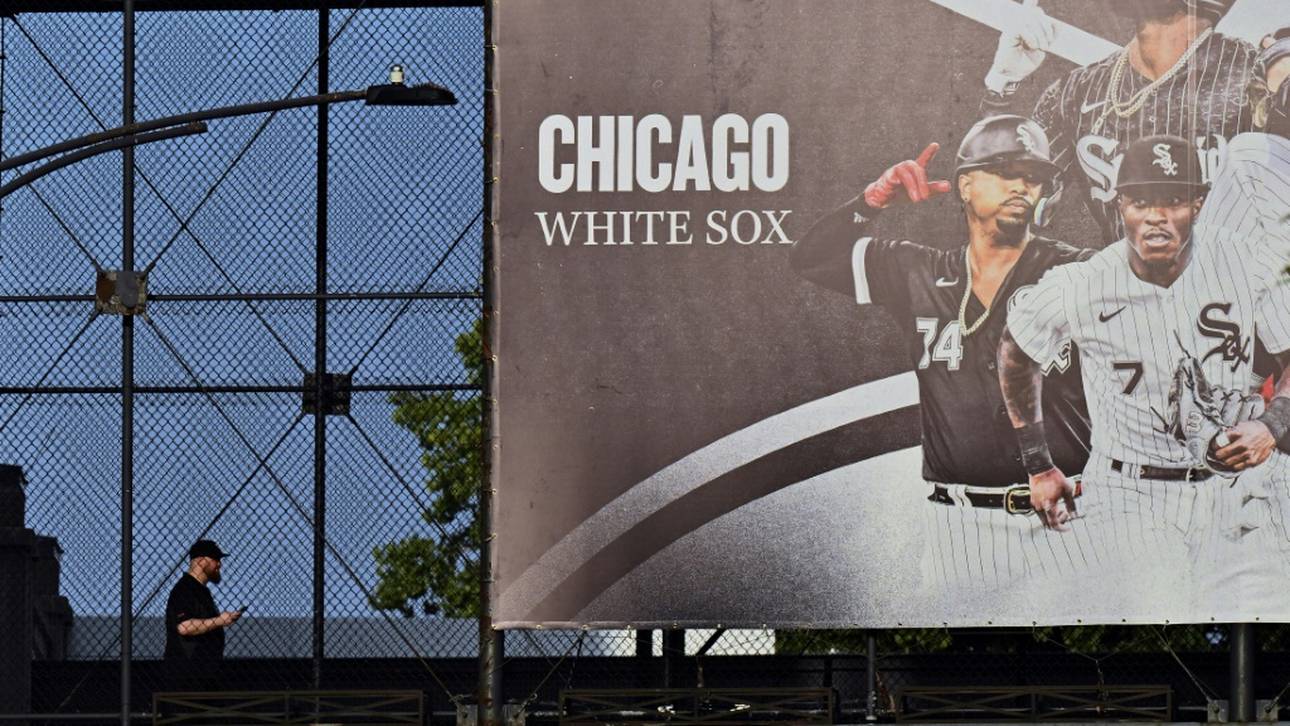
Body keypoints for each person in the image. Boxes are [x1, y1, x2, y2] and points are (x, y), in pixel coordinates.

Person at [790, 115, 1094, 589]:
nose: (1023, 186)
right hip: (960, 522)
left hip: (1069, 511)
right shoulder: (917, 271)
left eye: (1034, 177)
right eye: (1006, 171)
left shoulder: (1077, 270)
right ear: (966, 186)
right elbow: (810, 258)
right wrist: (871, 202)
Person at [998, 135, 1290, 611]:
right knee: (1148, 617)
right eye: (1140, 201)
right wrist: (1038, 462)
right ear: (1119, 207)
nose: (1156, 216)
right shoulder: (1083, 283)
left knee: (1260, 622)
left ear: (1199, 203)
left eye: (1173, 200)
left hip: (1235, 490)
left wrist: (1272, 426)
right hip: (1130, 492)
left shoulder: (1247, 261)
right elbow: (1016, 351)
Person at [983, 0, 1257, 245]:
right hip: (1125, 294)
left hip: (1232, 294)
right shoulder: (1078, 90)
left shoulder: (1255, 76)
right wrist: (1002, 83)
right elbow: (1003, 206)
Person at [164, 539, 241, 664]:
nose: (219, 564)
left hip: (202, 671)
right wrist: (220, 621)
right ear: (200, 561)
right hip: (187, 673)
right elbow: (184, 626)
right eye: (215, 559)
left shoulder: (201, 591)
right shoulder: (185, 588)